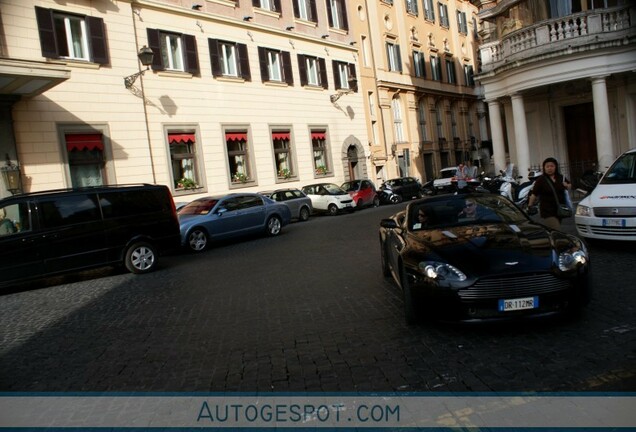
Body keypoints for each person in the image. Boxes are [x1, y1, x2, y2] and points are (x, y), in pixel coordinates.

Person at [527, 157, 572, 230]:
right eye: (547, 166)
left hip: (559, 209)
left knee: (552, 230)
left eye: (552, 166)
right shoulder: (541, 180)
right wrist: (530, 205)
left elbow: (569, 185)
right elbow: (534, 193)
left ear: (556, 167)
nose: (549, 168)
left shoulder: (561, 178)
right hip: (547, 210)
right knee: (556, 229)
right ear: (544, 168)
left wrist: (567, 185)